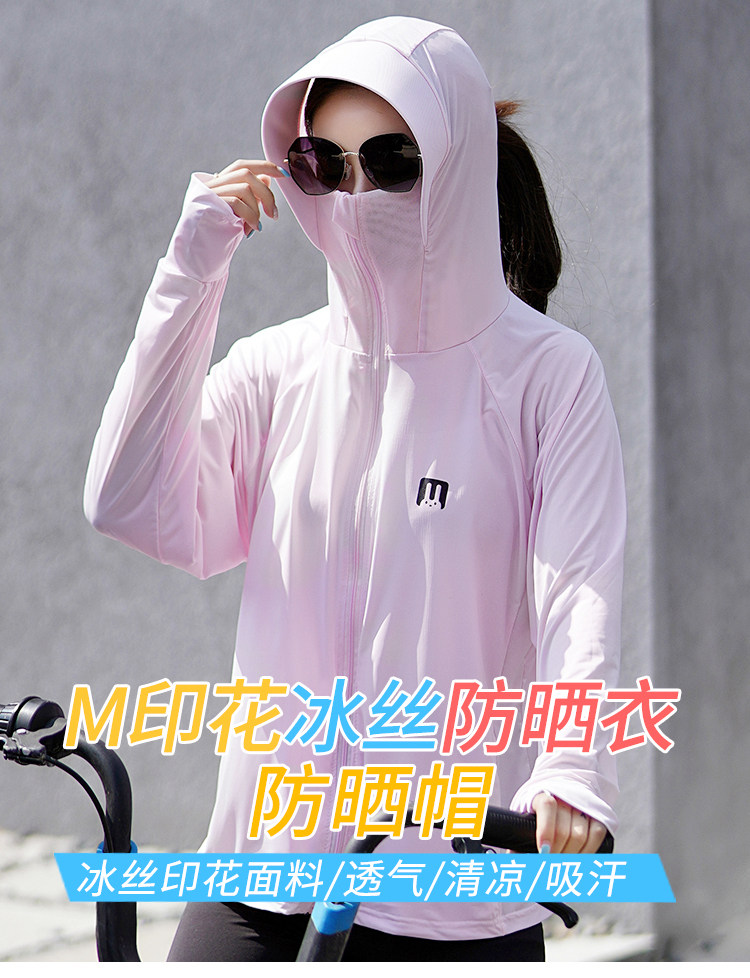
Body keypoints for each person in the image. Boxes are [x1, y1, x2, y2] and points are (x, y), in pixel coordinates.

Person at [84, 16, 626, 962]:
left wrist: (573, 767)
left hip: (448, 886)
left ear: (456, 163)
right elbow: (130, 501)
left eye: (390, 161)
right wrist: (190, 272)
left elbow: (576, 587)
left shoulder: (548, 375)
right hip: (263, 867)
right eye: (323, 164)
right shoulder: (279, 368)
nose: (356, 192)